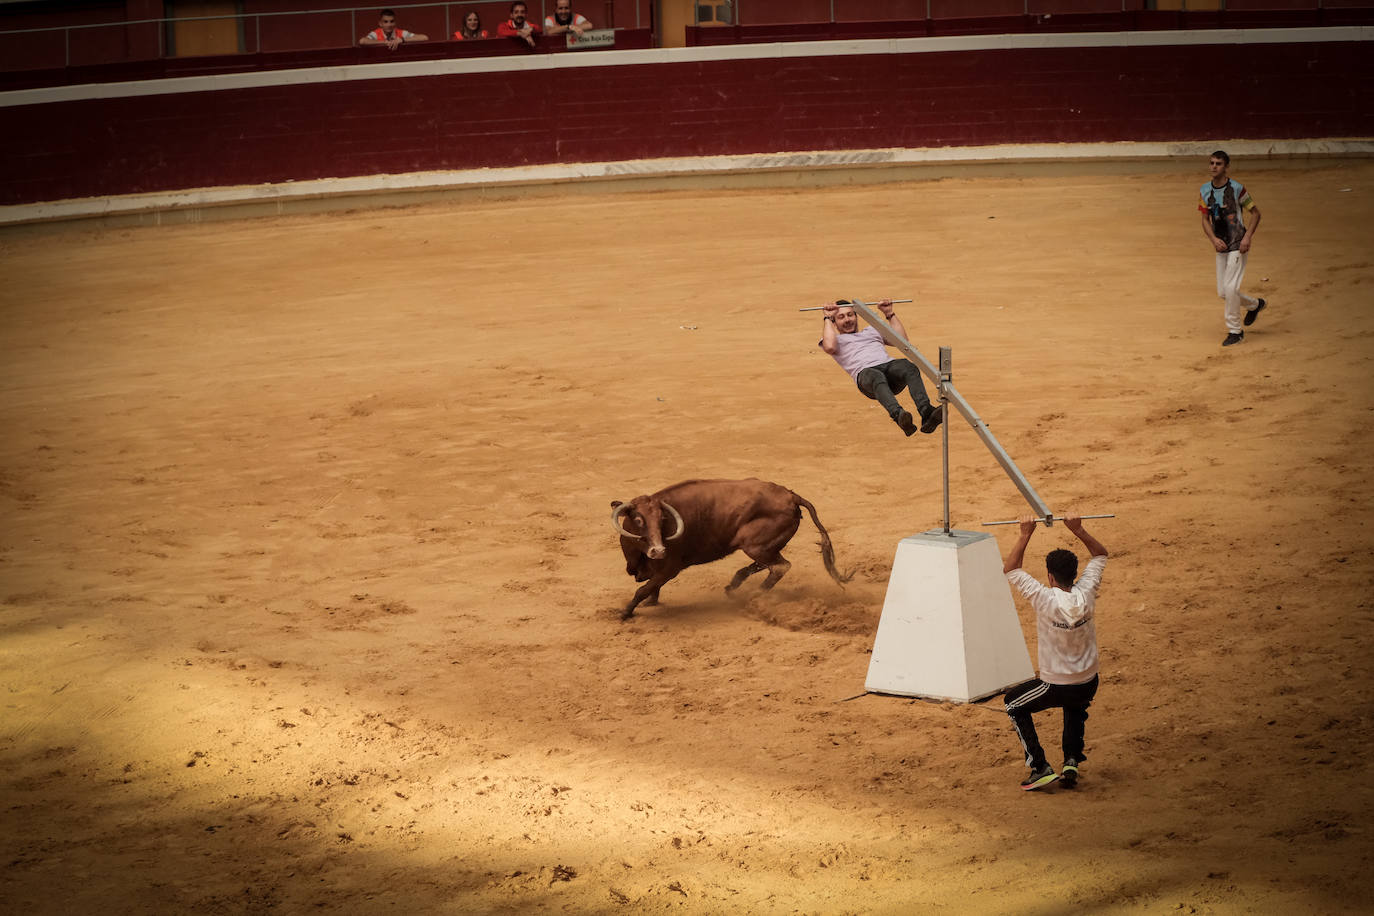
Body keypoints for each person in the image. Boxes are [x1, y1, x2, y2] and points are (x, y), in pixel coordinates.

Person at [1001, 515, 1108, 792]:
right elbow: (1100, 554)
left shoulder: (1044, 597)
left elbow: (1011, 568)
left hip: (1056, 685)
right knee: (1076, 704)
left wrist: (1025, 534)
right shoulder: (1087, 591)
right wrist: (1078, 529)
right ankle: (1071, 760)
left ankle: (1039, 767)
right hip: (1089, 681)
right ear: (1075, 574)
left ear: (1050, 576)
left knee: (1013, 703)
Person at [819, 299, 942, 437]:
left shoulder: (872, 330)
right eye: (841, 317)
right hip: (866, 377)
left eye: (850, 315)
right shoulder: (835, 340)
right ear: (834, 322)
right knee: (875, 375)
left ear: (856, 316)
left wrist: (889, 313)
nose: (847, 320)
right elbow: (830, 347)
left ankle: (926, 411)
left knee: (907, 366)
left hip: (889, 370)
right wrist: (827, 318)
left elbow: (902, 341)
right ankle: (899, 416)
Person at [1199, 150, 1266, 347]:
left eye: (1218, 163)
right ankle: (1255, 305)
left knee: (1230, 288)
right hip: (1221, 245)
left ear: (1226, 167)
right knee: (1223, 292)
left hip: (1238, 243)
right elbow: (1204, 219)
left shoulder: (1237, 188)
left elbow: (1256, 214)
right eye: (1212, 163)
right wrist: (1213, 240)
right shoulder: (1204, 190)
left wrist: (1247, 237)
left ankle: (1235, 331)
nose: (1214, 167)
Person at [359, 9, 427, 49]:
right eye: (385, 22)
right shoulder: (376, 33)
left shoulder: (401, 33)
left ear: (395, 23)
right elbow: (362, 41)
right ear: (380, 23)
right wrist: (384, 42)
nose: (389, 25)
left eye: (392, 21)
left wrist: (402, 40)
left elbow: (424, 37)